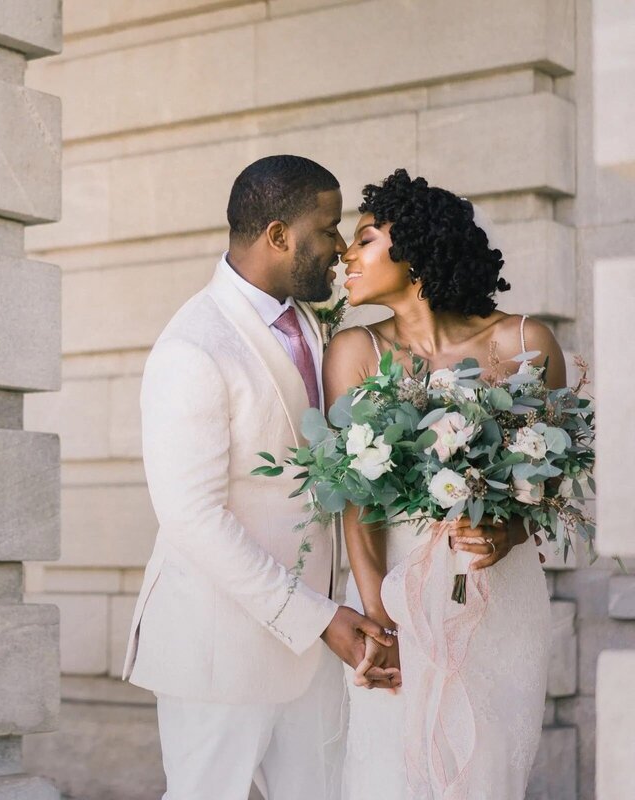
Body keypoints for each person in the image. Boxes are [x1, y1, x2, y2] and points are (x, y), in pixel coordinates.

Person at [122, 155, 518, 799]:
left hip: (323, 653)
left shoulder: (320, 323)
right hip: (222, 647)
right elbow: (191, 518)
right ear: (279, 236)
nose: (339, 248)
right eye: (329, 229)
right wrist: (320, 618)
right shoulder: (191, 348)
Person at [327, 169, 556, 799]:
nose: (347, 254)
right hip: (397, 587)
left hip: (497, 595)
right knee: (387, 774)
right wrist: (380, 620)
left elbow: (549, 484)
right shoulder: (354, 351)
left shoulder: (524, 344)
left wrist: (508, 529)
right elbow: (355, 499)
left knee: (485, 775)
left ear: (417, 250)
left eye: (365, 238)